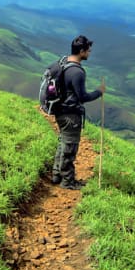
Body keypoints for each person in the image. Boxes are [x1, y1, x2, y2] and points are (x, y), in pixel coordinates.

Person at [51, 35, 105, 190]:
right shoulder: (77, 72)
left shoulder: (64, 63)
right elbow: (82, 97)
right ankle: (67, 181)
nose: (89, 53)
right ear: (81, 51)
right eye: (88, 51)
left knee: (63, 142)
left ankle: (57, 174)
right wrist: (99, 92)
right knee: (70, 147)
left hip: (60, 111)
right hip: (70, 114)